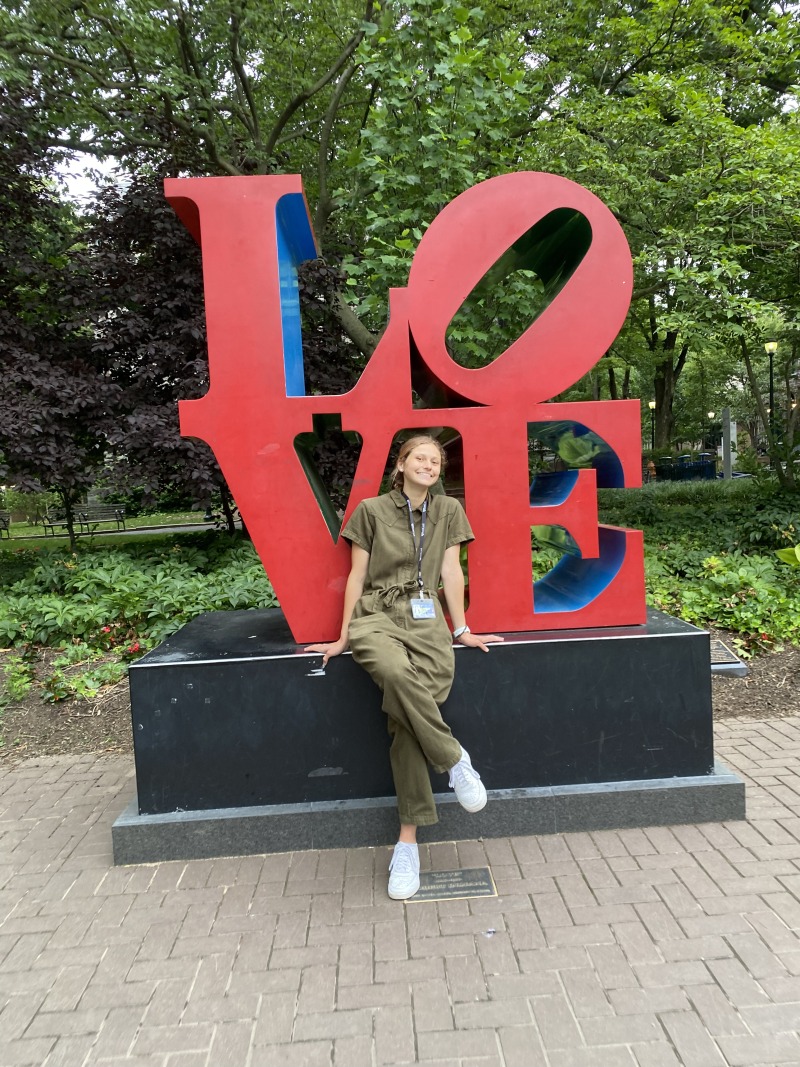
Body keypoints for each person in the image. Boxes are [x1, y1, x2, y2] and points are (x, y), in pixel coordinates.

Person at [305, 434, 503, 899]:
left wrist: (461, 629)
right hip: (376, 615)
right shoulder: (372, 511)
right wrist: (343, 636)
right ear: (401, 464)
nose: (429, 465)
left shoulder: (449, 511)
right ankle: (454, 758)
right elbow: (356, 574)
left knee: (405, 721)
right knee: (394, 675)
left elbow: (452, 572)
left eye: (436, 461)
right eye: (420, 457)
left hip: (427, 617)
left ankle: (407, 845)